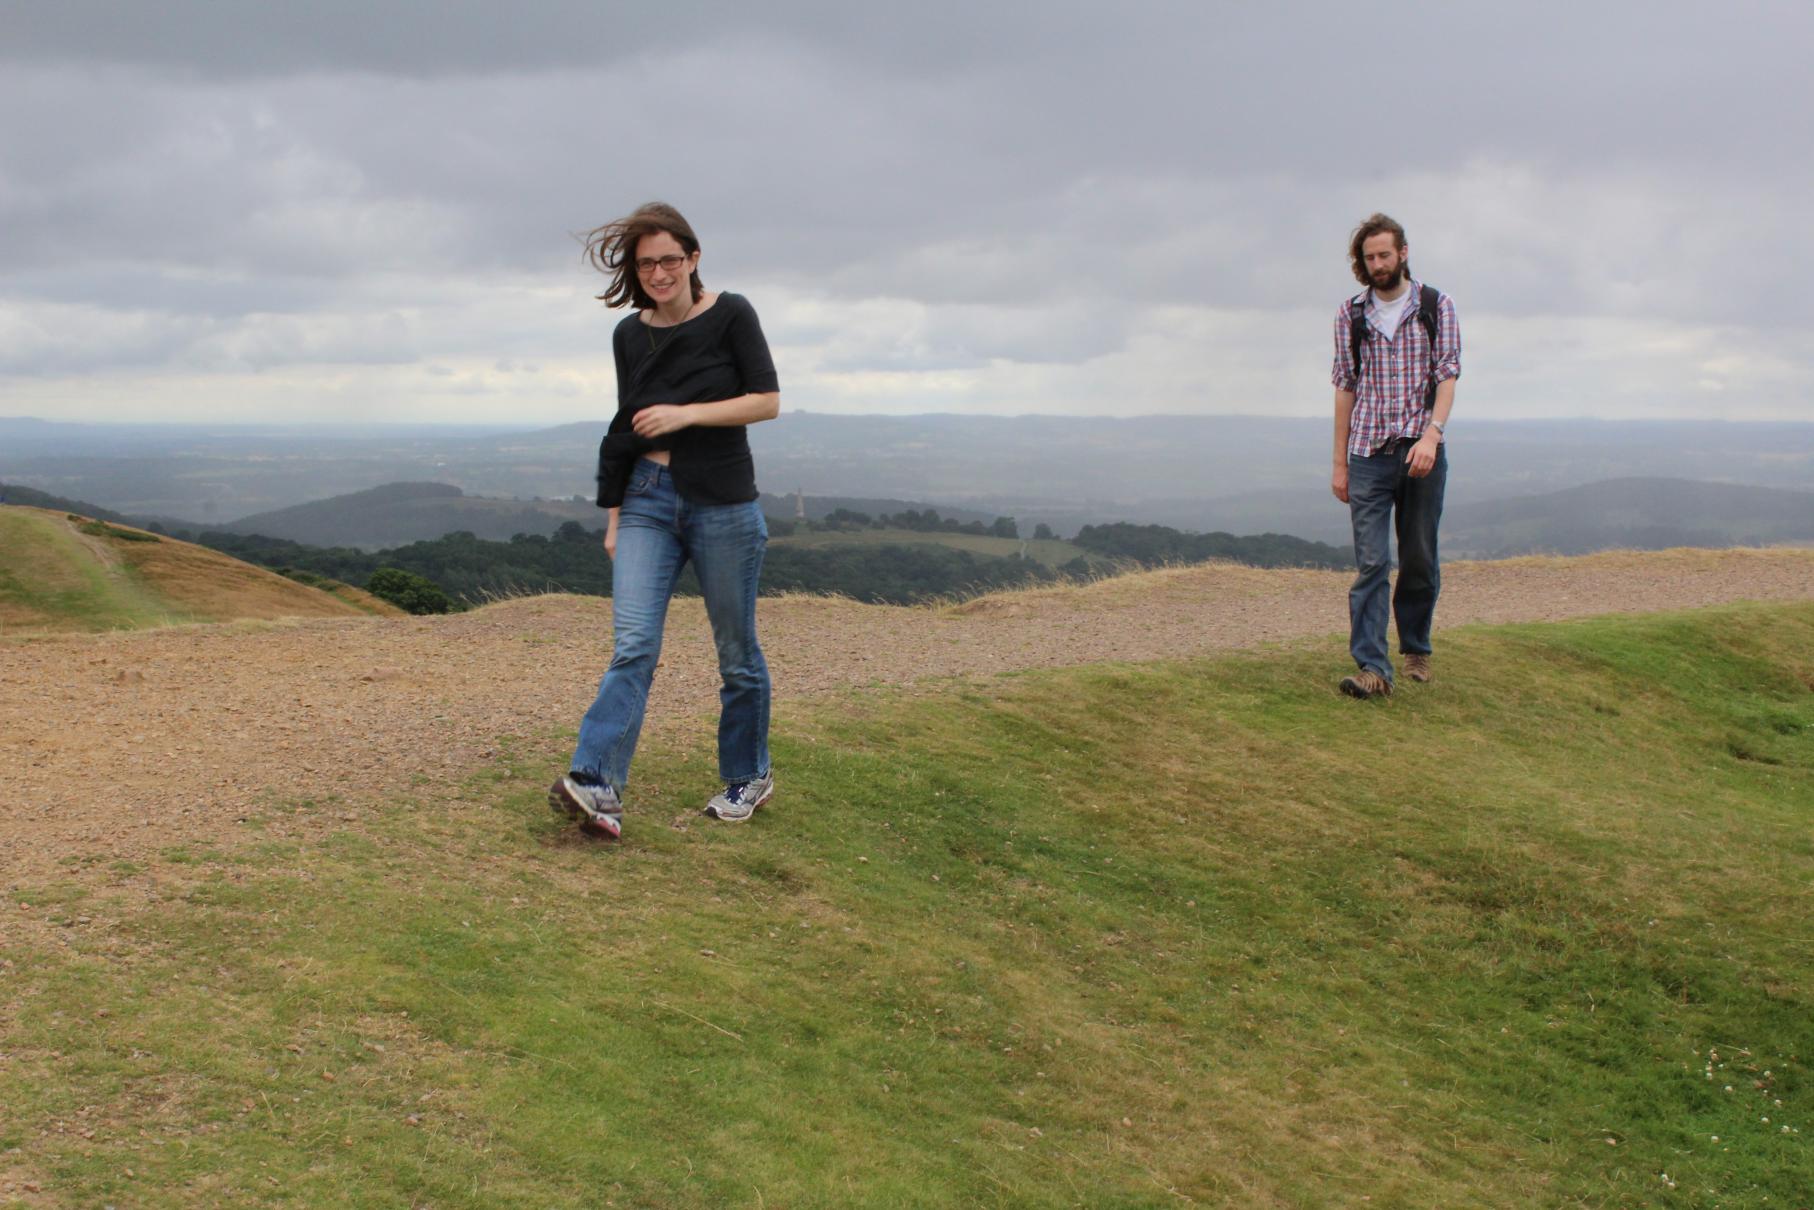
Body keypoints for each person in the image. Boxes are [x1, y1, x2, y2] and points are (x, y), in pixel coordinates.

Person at [549, 202, 781, 837]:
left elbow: (767, 401)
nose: (658, 272)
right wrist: (616, 515)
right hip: (648, 495)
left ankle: (747, 774)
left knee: (735, 652)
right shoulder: (629, 333)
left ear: (694, 258)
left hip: (723, 502)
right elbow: (625, 427)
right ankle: (597, 784)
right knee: (634, 645)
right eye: (647, 262)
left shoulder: (733, 313)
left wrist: (684, 415)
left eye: (669, 260)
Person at [1329, 213, 1461, 699]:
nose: (1378, 263)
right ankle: (1372, 667)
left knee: (1419, 555)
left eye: (1385, 254)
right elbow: (1344, 386)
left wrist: (1432, 435)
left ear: (1402, 253)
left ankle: (1415, 646)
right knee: (1371, 562)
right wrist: (1339, 462)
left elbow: (1447, 375)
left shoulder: (1435, 305)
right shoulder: (1351, 315)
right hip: (1367, 451)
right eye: (1369, 257)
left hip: (1420, 449)